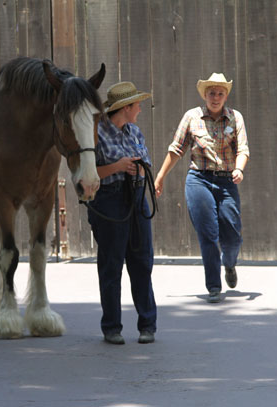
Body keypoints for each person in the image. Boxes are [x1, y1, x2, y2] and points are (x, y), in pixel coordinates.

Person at [154, 73, 249, 303]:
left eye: (220, 93)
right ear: (204, 95)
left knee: (233, 234)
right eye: (211, 93)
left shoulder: (235, 118)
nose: (215, 97)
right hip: (199, 179)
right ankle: (214, 286)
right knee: (208, 234)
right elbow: (176, 149)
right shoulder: (192, 117)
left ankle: (229, 263)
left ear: (226, 96)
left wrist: (239, 169)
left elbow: (243, 149)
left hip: (227, 180)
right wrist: (160, 176)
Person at [87, 81, 157, 344]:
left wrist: (138, 169)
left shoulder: (134, 132)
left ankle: (147, 324)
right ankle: (112, 327)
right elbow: (89, 172)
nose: (140, 108)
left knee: (142, 261)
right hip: (109, 199)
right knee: (111, 263)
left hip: (136, 196)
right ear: (125, 108)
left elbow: (146, 163)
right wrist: (118, 166)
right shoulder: (96, 134)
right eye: (136, 104)